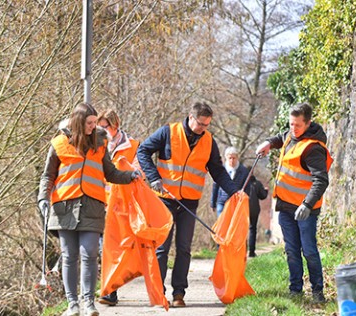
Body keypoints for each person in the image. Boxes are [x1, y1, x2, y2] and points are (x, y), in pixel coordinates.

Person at [38, 104, 141, 316]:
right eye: (90, 123)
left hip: (92, 206)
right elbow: (48, 175)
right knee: (69, 256)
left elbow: (110, 173)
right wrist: (43, 198)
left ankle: (89, 303)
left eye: (95, 123)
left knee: (90, 254)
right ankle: (72, 304)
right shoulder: (58, 144)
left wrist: (130, 176)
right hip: (64, 207)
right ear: (78, 122)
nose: (94, 127)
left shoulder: (101, 143)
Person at [137, 101, 239, 307]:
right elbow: (143, 151)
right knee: (162, 249)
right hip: (164, 200)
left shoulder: (209, 141)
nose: (203, 129)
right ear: (191, 118)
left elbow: (218, 171)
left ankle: (179, 294)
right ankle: (158, 293)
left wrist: (235, 192)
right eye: (201, 124)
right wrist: (153, 176)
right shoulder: (168, 132)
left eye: (207, 125)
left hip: (189, 202)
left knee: (184, 248)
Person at [255, 102, 333, 304]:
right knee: (291, 250)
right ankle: (295, 290)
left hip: (305, 210)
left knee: (309, 251)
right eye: (291, 124)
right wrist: (268, 143)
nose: (293, 129)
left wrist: (307, 205)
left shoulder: (313, 149)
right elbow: (280, 138)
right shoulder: (290, 135)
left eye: (298, 125)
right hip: (286, 207)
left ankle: (317, 292)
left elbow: (321, 180)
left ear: (308, 123)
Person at [96, 109, 139, 307]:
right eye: (99, 127)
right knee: (101, 247)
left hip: (121, 204)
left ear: (114, 125)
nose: (101, 130)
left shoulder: (132, 146)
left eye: (104, 127)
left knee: (115, 248)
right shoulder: (96, 145)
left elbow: (138, 172)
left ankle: (110, 290)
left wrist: (129, 169)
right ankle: (108, 289)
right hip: (99, 201)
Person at [210, 146, 249, 217]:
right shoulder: (221, 170)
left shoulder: (244, 171)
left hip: (236, 202)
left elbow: (246, 188)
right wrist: (213, 202)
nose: (232, 160)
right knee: (221, 223)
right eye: (230, 158)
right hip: (222, 201)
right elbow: (215, 186)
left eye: (234, 158)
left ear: (237, 158)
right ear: (226, 158)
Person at [246, 174, 268, 258]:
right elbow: (262, 196)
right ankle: (251, 251)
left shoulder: (242, 182)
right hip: (254, 210)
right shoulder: (257, 183)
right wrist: (266, 191)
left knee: (242, 229)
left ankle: (242, 250)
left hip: (243, 209)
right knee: (252, 229)